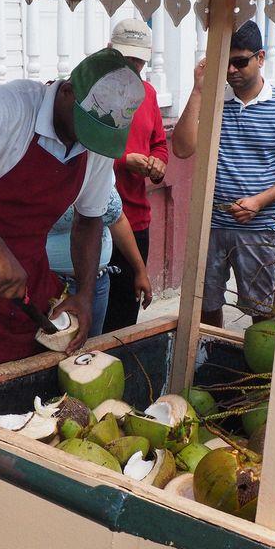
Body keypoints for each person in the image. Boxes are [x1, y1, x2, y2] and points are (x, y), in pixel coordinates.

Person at [0, 48, 145, 366]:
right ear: (67, 90)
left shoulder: (96, 141)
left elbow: (89, 219)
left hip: (34, 283)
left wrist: (85, 294)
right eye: (86, 128)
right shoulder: (8, 107)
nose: (89, 141)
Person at [172, 21, 275, 327]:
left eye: (240, 61)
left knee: (260, 311)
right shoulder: (213, 103)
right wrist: (199, 90)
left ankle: (255, 372)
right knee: (205, 308)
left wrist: (259, 201)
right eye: (225, 63)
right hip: (210, 226)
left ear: (261, 58)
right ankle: (210, 364)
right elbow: (181, 148)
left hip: (258, 228)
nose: (231, 70)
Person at [100, 18, 173, 334]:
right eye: (125, 58)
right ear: (108, 51)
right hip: (95, 220)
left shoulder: (149, 94)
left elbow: (159, 143)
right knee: (92, 318)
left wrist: (157, 164)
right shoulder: (89, 94)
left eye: (138, 60)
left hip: (136, 218)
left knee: (124, 318)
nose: (132, 67)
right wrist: (122, 161)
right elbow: (81, 153)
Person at [47, 178, 152, 337]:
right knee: (52, 350)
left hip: (98, 283)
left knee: (91, 350)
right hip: (51, 285)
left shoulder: (100, 165)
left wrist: (140, 271)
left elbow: (117, 219)